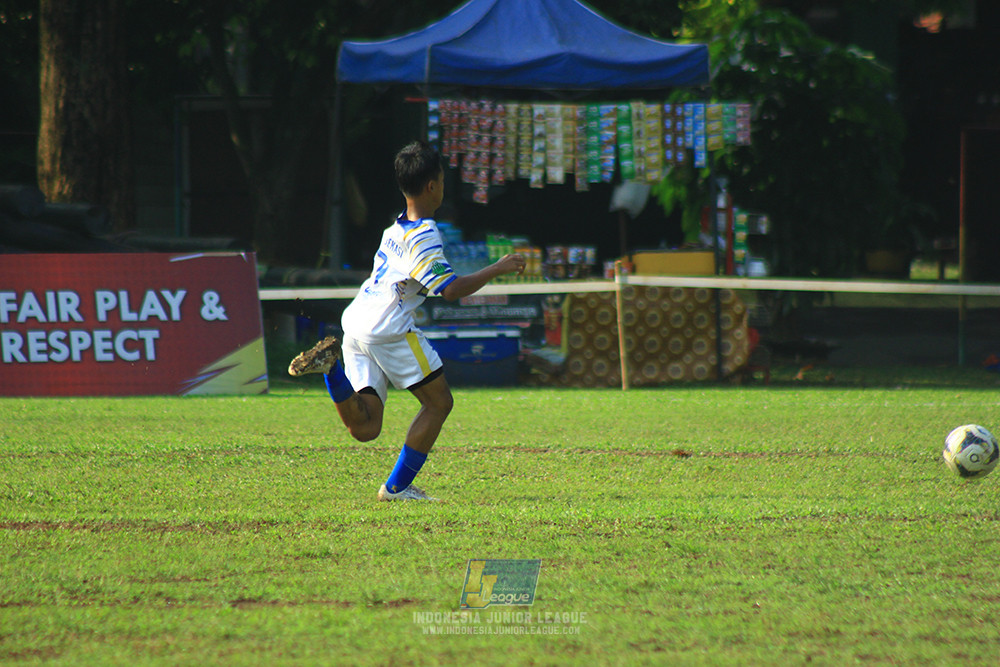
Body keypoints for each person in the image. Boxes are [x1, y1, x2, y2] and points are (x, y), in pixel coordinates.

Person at [287, 140, 526, 501]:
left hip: (356, 324)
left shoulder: (395, 228)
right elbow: (450, 290)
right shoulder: (425, 236)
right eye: (442, 179)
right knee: (439, 403)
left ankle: (331, 369)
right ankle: (397, 488)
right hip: (388, 330)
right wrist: (498, 268)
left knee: (365, 427)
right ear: (433, 185)